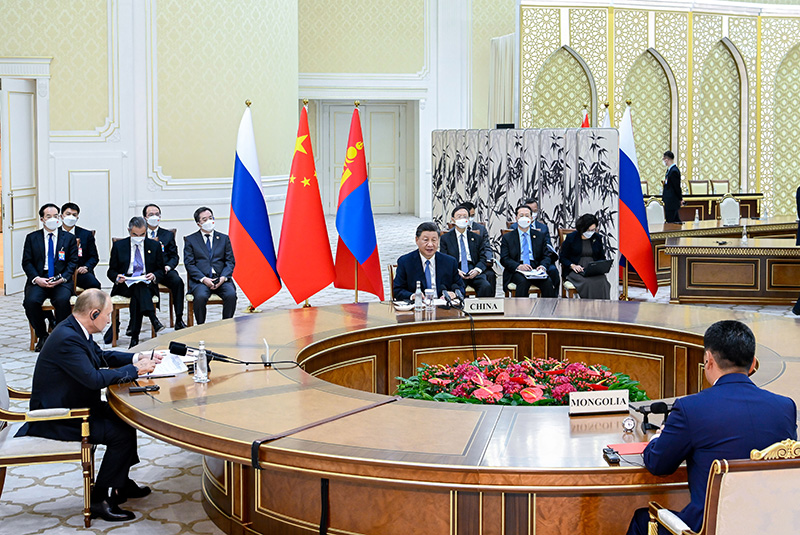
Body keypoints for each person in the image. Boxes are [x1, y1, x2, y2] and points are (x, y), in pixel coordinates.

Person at [626, 320, 797, 535]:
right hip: (772, 527)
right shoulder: (784, 407)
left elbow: (658, 464)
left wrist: (656, 439)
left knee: (643, 520)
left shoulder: (691, 408)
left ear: (708, 360)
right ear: (753, 363)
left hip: (710, 529)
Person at [16, 289, 161, 522]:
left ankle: (120, 483)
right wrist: (135, 370)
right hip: (59, 416)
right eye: (107, 314)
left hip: (76, 402)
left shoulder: (75, 329)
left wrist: (139, 357)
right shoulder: (67, 338)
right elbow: (93, 379)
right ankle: (98, 500)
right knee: (119, 434)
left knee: (126, 416)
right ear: (94, 314)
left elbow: (101, 357)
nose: (109, 319)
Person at [22, 203, 79, 351]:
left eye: (55, 216)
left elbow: (73, 262)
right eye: (49, 216)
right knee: (31, 302)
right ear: (42, 219)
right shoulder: (32, 238)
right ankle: (43, 336)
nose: (53, 219)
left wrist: (63, 278)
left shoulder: (69, 238)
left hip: (61, 279)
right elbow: (27, 262)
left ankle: (60, 336)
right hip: (40, 278)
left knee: (62, 300)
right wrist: (37, 278)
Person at [106, 217, 165, 348]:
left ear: (146, 232)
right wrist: (117, 277)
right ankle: (152, 318)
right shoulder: (119, 246)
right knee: (138, 289)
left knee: (138, 292)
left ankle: (134, 337)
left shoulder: (154, 245)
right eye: (135, 235)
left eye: (142, 234)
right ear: (129, 231)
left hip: (146, 283)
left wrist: (154, 275)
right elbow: (111, 271)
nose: (139, 238)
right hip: (125, 284)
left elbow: (160, 270)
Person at [183, 206, 237, 324]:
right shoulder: (190, 240)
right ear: (198, 224)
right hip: (201, 280)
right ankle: (201, 326)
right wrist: (203, 279)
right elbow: (189, 264)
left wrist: (223, 278)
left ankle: (226, 324)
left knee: (231, 295)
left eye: (211, 218)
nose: (209, 221)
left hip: (221, 278)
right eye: (204, 219)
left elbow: (230, 261)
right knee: (200, 297)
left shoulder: (223, 238)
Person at [393, 222, 465, 301]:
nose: (430, 244)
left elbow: (460, 287)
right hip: (418, 305)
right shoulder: (405, 262)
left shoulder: (450, 262)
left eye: (434, 240)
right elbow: (397, 290)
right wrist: (412, 296)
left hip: (443, 305)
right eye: (426, 240)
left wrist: (454, 294)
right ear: (417, 240)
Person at [143, 204, 187, 330]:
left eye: (157, 214)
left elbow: (174, 256)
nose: (154, 217)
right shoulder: (140, 233)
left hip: (164, 270)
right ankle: (148, 318)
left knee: (178, 282)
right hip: (146, 272)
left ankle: (179, 319)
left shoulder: (167, 235)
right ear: (145, 217)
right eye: (151, 214)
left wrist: (168, 267)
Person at [500, 205, 556, 297]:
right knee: (523, 282)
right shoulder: (508, 237)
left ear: (531, 218)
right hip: (517, 269)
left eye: (527, 215)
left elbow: (546, 256)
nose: (524, 218)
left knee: (547, 282)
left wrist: (542, 266)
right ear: (516, 218)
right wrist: (518, 266)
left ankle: (548, 306)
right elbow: (504, 259)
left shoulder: (540, 236)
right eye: (521, 215)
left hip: (536, 268)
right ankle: (521, 307)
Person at [439, 206, 494, 297]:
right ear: (453, 220)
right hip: (456, 270)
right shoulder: (446, 238)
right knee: (457, 289)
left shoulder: (477, 237)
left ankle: (482, 307)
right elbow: (444, 259)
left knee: (486, 286)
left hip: (473, 268)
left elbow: (483, 257)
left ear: (468, 219)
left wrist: (477, 270)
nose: (462, 219)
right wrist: (456, 271)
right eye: (459, 216)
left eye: (465, 216)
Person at [510, 198, 559, 291]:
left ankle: (553, 296)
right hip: (521, 262)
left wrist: (543, 265)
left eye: (534, 211)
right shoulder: (514, 227)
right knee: (522, 280)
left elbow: (548, 247)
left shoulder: (543, 228)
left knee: (552, 271)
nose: (533, 213)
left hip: (538, 260)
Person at [559, 213, 611, 299]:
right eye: (589, 230)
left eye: (593, 230)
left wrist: (599, 266)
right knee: (587, 283)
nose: (591, 232)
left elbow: (601, 257)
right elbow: (563, 257)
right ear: (582, 229)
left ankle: (602, 307)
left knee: (603, 282)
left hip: (592, 270)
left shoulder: (597, 238)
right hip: (576, 270)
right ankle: (588, 306)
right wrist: (572, 266)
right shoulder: (571, 238)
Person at [60, 202, 101, 290]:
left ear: (77, 218)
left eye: (74, 215)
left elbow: (94, 257)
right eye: (68, 214)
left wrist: (86, 267)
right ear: (61, 216)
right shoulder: (54, 233)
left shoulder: (86, 234)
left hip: (79, 272)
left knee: (95, 285)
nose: (71, 217)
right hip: (60, 272)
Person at [662, 151, 683, 223]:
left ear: (666, 159)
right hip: (669, 201)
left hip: (672, 201)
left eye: (663, 159)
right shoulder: (669, 170)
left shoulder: (674, 171)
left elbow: (676, 187)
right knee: (674, 221)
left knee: (671, 223)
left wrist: (680, 198)